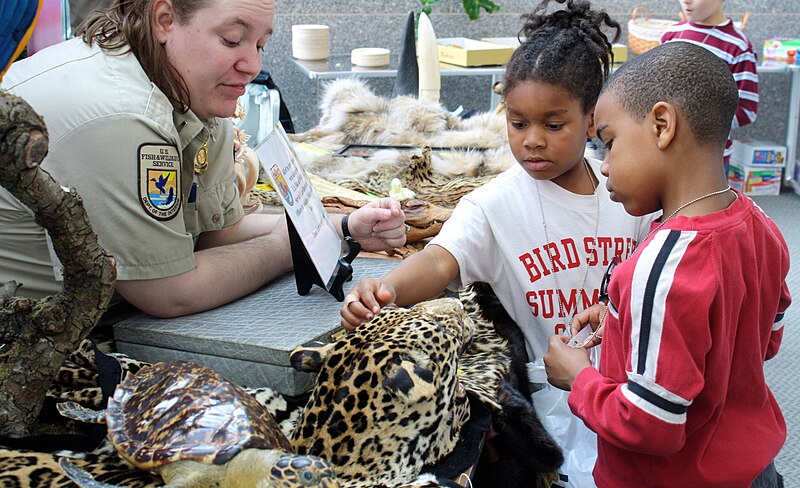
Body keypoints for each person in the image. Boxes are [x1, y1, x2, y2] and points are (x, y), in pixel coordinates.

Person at [0, 0, 406, 317]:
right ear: (164, 19)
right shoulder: (122, 114)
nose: (253, 65)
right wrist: (290, 245)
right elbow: (170, 293)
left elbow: (218, 231)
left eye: (261, 44)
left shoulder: (186, 81)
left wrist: (341, 226)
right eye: (232, 39)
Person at [341, 0, 653, 375]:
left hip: (634, 390)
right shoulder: (492, 205)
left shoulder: (628, 195)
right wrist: (383, 289)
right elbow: (440, 261)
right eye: (519, 124)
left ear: (591, 121)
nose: (532, 140)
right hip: (549, 403)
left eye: (553, 125)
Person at [544, 42, 790, 487]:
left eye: (609, 142)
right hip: (755, 469)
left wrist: (578, 378)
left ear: (661, 125)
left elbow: (648, 423)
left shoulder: (661, 266)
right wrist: (623, 321)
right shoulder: (760, 225)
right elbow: (762, 337)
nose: (603, 166)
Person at [661, 0, 758, 169]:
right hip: (665, 152)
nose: (686, 1)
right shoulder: (671, 34)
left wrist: (696, 122)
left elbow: (747, 109)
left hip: (710, 161)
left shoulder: (738, 46)